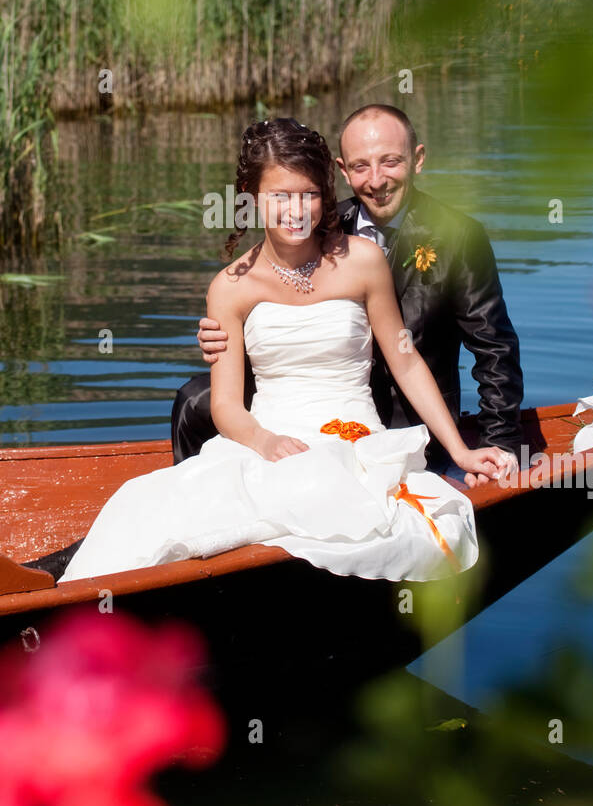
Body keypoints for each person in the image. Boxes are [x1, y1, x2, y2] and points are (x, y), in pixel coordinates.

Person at [59, 118, 500, 586]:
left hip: (356, 434)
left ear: (325, 194)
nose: (296, 210)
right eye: (279, 196)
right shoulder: (230, 287)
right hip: (266, 436)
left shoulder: (362, 261)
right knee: (145, 505)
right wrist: (264, 442)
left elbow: (406, 361)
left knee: (337, 493)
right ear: (250, 197)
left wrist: (461, 450)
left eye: (309, 194)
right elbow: (226, 404)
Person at [175, 104, 523, 484]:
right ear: (342, 172)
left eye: (390, 161)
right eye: (361, 167)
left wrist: (494, 447)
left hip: (400, 427)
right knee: (194, 399)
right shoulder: (281, 250)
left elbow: (493, 348)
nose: (376, 180)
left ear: (417, 159)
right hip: (282, 428)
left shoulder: (452, 239)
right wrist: (228, 340)